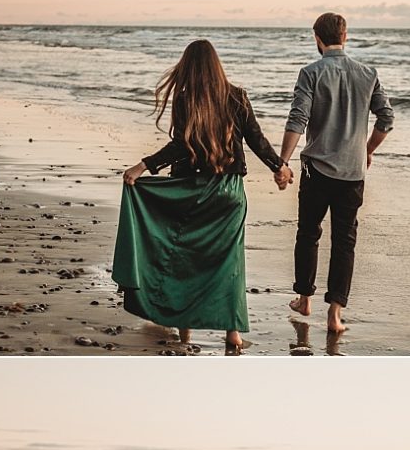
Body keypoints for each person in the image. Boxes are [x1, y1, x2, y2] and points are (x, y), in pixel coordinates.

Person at [113, 40, 293, 355]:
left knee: (184, 256)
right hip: (229, 194)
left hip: (191, 191)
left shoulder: (186, 100)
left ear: (188, 68)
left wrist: (144, 166)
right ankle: (233, 333)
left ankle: (184, 326)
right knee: (230, 262)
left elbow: (181, 145)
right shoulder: (237, 97)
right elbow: (256, 140)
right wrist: (280, 167)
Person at [277, 13, 395, 334]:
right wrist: (367, 150)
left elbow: (297, 120)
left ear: (317, 38)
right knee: (345, 241)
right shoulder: (368, 74)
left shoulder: (311, 73)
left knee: (309, 232)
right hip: (353, 174)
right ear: (346, 36)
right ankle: (335, 314)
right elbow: (386, 118)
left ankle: (304, 298)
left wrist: (283, 161)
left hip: (317, 170)